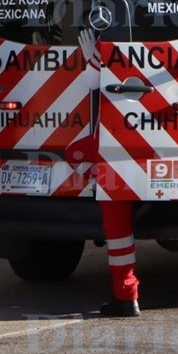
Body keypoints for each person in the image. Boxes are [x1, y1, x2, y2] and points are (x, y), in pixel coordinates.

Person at [65, 29, 141, 318]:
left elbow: (91, 82)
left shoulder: (110, 50)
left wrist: (91, 58)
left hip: (113, 152)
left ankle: (126, 295)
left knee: (119, 234)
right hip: (146, 152)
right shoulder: (145, 46)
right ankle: (125, 295)